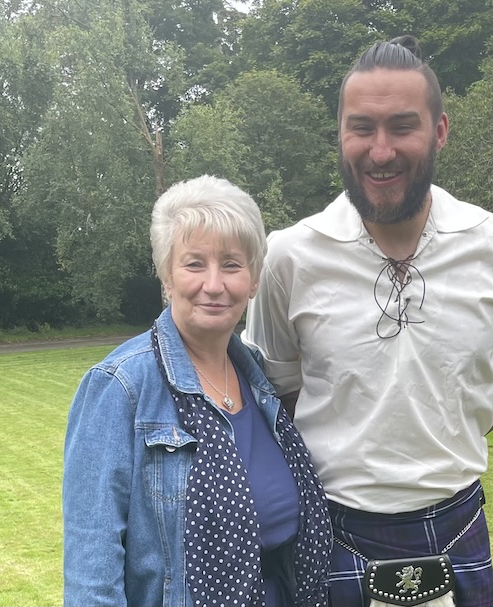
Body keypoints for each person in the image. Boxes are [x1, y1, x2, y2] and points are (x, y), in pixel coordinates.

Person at [243, 35, 493, 607]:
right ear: (340, 133)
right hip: (331, 528)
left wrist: (451, 427)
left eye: (402, 127)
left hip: (457, 523)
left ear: (439, 131)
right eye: (362, 127)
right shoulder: (289, 256)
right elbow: (276, 389)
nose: (380, 150)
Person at [62, 175, 331, 607]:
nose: (213, 284)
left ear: (254, 278)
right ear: (167, 276)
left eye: (231, 264)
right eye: (193, 263)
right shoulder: (120, 387)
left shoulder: (258, 379)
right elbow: (91, 573)